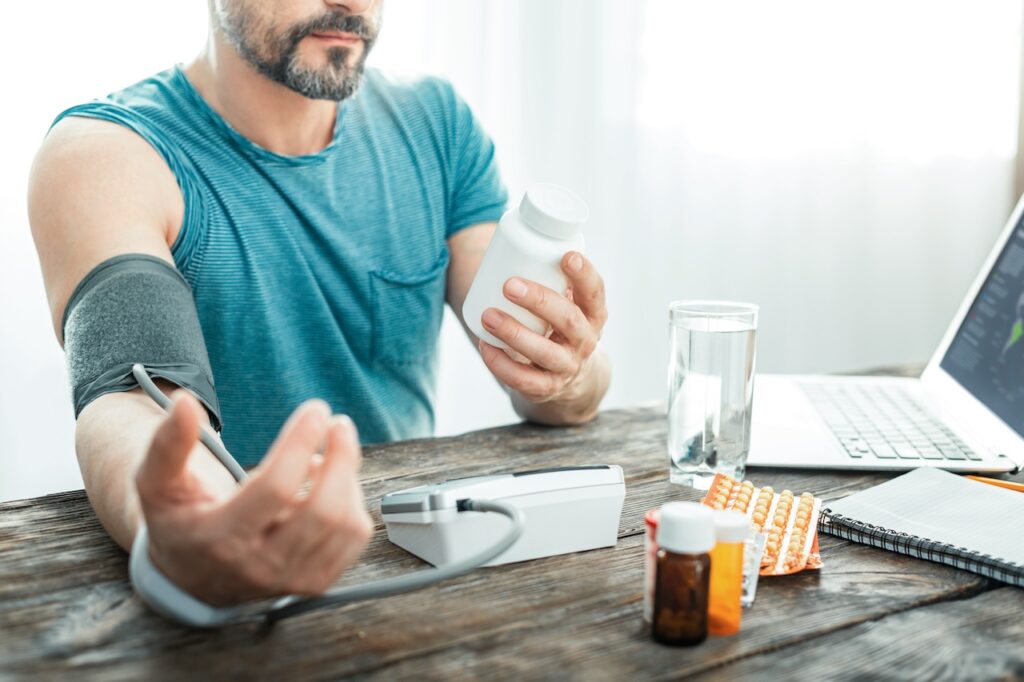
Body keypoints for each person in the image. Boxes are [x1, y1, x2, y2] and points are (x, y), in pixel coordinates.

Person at [27, 0, 610, 607]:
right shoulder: (105, 155)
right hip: (241, 590)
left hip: (412, 567)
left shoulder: (438, 126)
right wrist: (193, 519)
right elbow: (129, 403)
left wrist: (567, 371)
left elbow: (546, 367)